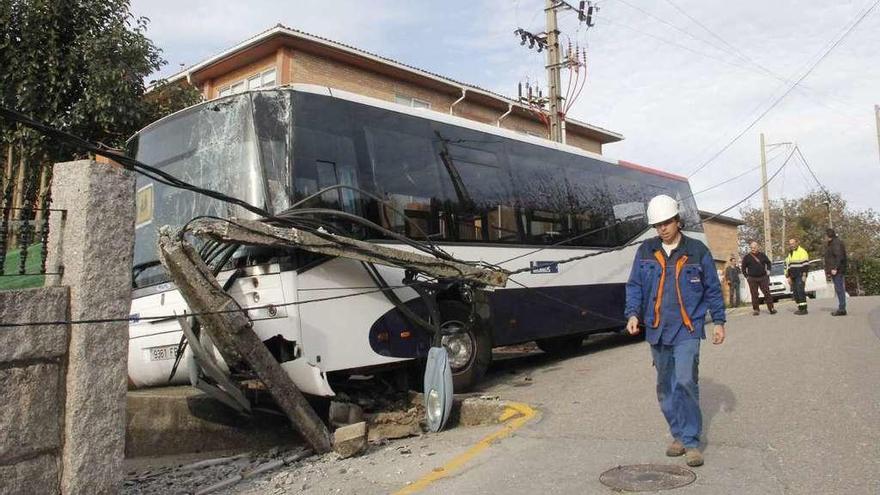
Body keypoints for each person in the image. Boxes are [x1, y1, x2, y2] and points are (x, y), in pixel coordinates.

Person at [625, 194, 726, 468]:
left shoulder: (697, 251)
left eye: (667, 223)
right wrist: (633, 313)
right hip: (657, 329)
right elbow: (634, 285)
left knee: (684, 381)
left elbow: (712, 290)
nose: (662, 229)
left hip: (687, 329)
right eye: (657, 225)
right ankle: (678, 434)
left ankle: (692, 442)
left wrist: (718, 321)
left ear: (677, 221)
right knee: (665, 387)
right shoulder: (646, 251)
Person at [740, 241, 776, 316]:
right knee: (754, 294)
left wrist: (768, 270)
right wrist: (747, 277)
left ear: (757, 247)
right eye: (751, 248)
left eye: (754, 247)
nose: (753, 249)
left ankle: (771, 308)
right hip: (752, 278)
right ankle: (756, 309)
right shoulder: (747, 257)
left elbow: (768, 263)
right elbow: (743, 268)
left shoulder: (762, 255)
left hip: (763, 277)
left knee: (767, 293)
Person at [824, 228, 848, 316]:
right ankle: (842, 307)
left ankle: (842, 309)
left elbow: (839, 256)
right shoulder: (832, 243)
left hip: (837, 270)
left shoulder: (836, 243)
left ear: (828, 235)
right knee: (838, 289)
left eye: (825, 235)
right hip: (835, 270)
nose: (825, 237)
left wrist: (835, 268)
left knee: (839, 289)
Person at [785, 238, 810, 315]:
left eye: (793, 243)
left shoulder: (802, 252)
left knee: (800, 292)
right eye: (790, 244)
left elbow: (805, 265)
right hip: (793, 276)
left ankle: (804, 309)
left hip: (800, 275)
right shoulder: (790, 253)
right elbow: (788, 266)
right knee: (795, 293)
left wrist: (804, 275)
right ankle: (800, 308)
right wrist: (788, 277)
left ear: (797, 243)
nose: (791, 245)